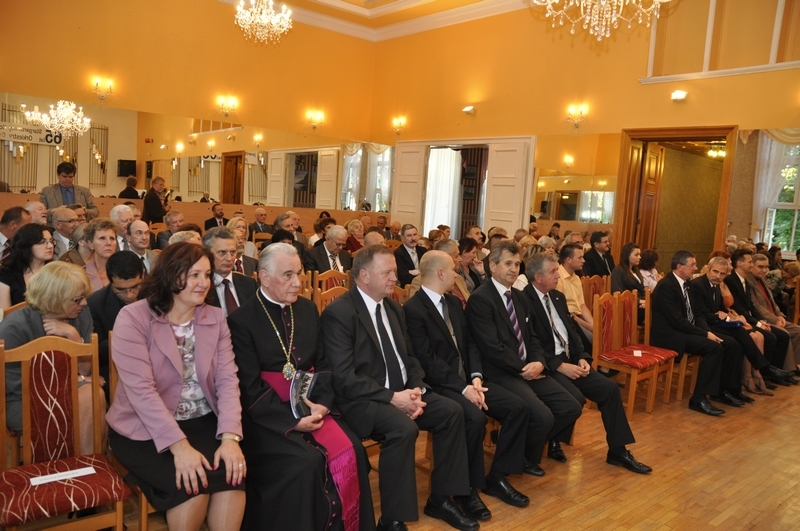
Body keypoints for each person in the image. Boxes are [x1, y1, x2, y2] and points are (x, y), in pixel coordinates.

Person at [321, 245, 477, 531]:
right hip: (363, 400)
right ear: (364, 275)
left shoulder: (393, 307)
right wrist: (393, 397)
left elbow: (410, 357)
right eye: (388, 272)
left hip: (403, 391)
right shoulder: (339, 313)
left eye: (395, 271)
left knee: (452, 412)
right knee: (403, 429)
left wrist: (416, 388)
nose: (396, 277)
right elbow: (344, 377)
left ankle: (441, 499)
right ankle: (392, 519)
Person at [228, 243, 375, 531]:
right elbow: (249, 387)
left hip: (312, 406)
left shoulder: (307, 309)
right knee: (304, 463)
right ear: (264, 277)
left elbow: (323, 364)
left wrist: (322, 404)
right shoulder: (241, 320)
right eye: (288, 275)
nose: (298, 282)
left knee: (353, 449)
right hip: (267, 418)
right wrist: (292, 422)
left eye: (299, 273)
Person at [106, 242, 246, 530]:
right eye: (194, 275)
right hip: (144, 428)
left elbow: (227, 380)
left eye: (206, 275)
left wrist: (230, 438)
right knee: (192, 488)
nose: (203, 283)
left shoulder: (215, 317)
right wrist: (179, 448)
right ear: (170, 275)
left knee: (232, 478)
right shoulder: (133, 318)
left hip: (202, 419)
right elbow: (141, 392)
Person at [404, 251, 532, 513]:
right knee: (474, 418)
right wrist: (463, 388)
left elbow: (470, 343)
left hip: (468, 381)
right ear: (440, 273)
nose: (456, 274)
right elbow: (428, 361)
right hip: (441, 384)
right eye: (453, 270)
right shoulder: (414, 309)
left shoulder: (452, 303)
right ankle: (468, 490)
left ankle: (497, 476)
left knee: (518, 407)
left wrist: (475, 376)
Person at [521, 253, 652, 474]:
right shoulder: (523, 300)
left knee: (609, 389)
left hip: (571, 359)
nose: (558, 275)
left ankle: (618, 451)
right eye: (553, 272)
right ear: (538, 277)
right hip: (548, 365)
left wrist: (582, 357)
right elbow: (530, 343)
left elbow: (572, 333)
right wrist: (560, 366)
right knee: (575, 400)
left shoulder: (557, 297)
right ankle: (548, 440)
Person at [466, 240, 583, 476]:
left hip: (528, 368)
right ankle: (515, 462)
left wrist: (539, 361)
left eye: (517, 264)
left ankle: (522, 452)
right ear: (492, 266)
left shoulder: (519, 297)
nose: (513, 269)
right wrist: (523, 368)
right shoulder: (481, 299)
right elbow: (492, 348)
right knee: (541, 416)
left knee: (570, 406)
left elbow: (531, 337)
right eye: (508, 263)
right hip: (501, 372)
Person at [1, 261, 99, 453]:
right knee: (85, 402)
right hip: (22, 400)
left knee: (94, 395)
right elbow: (20, 387)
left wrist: (74, 336)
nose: (84, 303)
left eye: (84, 297)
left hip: (66, 390)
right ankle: (76, 463)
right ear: (54, 299)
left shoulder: (81, 314)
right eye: (77, 299)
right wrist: (76, 381)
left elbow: (85, 370)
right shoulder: (13, 329)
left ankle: (86, 462)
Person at [688, 256, 785, 402]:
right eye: (715, 272)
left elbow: (719, 308)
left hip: (714, 322)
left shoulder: (715, 285)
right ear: (708, 269)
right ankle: (759, 370)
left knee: (739, 336)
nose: (718, 276)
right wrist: (723, 317)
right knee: (733, 344)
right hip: (703, 325)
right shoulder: (698, 285)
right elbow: (700, 313)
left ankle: (734, 389)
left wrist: (728, 315)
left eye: (722, 274)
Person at [650, 251, 728, 416]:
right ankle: (698, 399)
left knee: (722, 343)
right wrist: (704, 335)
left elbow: (696, 314)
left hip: (684, 330)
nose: (696, 268)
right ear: (679, 267)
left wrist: (706, 331)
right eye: (692, 265)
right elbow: (677, 321)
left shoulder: (687, 284)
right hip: (670, 335)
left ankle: (717, 391)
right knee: (714, 348)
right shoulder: (666, 286)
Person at [724, 248, 794, 385]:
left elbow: (751, 306)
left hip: (746, 318)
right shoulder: (731, 280)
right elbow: (738, 307)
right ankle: (764, 373)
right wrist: (758, 323)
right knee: (771, 337)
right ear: (739, 263)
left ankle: (769, 374)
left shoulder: (744, 280)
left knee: (780, 335)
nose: (752, 264)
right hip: (737, 320)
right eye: (750, 262)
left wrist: (759, 321)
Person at [88, 250, 143, 389]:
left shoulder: (157, 296)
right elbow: (98, 351)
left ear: (142, 275)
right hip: (116, 369)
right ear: (110, 281)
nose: (129, 295)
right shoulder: (96, 303)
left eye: (135, 287)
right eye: (121, 290)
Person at [749, 253, 800, 373]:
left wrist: (780, 315)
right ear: (751, 266)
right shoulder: (749, 282)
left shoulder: (762, 280)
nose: (764, 270)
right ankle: (784, 369)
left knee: (798, 330)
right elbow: (757, 307)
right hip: (764, 319)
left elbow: (772, 301)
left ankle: (795, 365)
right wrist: (775, 320)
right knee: (784, 334)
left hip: (775, 316)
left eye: (766, 267)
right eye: (760, 267)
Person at [202, 227, 258, 317]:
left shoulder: (249, 284)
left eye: (232, 252)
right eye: (222, 252)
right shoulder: (201, 286)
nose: (229, 258)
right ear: (207, 253)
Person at [0, 223, 55, 309]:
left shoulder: (57, 271)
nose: (50, 246)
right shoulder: (6, 274)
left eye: (51, 241)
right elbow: (5, 312)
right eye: (42, 242)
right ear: (26, 245)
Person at [555, 243, 594, 344]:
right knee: (592, 339)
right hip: (568, 320)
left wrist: (593, 324)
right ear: (569, 260)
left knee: (601, 333)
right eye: (580, 258)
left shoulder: (576, 278)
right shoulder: (558, 277)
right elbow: (565, 312)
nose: (583, 261)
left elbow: (582, 305)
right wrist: (588, 326)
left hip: (578, 317)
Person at [611, 242, 646, 322]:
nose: (640, 257)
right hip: (627, 306)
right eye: (636, 255)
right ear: (627, 256)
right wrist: (639, 301)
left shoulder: (636, 270)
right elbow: (617, 292)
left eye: (639, 254)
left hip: (639, 305)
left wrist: (644, 301)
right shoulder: (618, 271)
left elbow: (642, 289)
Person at [84, 218, 118, 293]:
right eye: (102, 238)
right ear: (90, 244)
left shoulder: (124, 270)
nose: (108, 243)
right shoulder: (82, 274)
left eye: (112, 238)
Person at [393, 224, 427, 288]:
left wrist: (410, 272)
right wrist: (421, 276)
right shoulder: (398, 253)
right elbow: (403, 277)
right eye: (409, 236)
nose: (413, 238)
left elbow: (429, 271)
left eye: (415, 234)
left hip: (425, 286)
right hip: (408, 287)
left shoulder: (423, 251)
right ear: (402, 238)